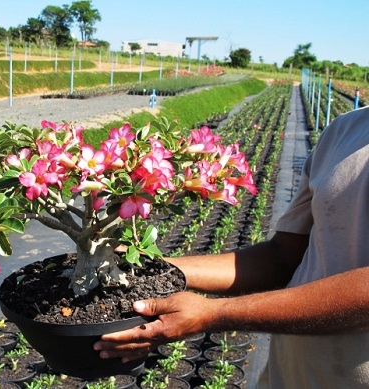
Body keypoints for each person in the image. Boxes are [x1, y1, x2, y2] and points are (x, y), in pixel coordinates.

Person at [94, 105, 369, 388]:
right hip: (286, 376)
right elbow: (282, 256)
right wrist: (154, 267)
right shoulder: (343, 130)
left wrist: (212, 314)